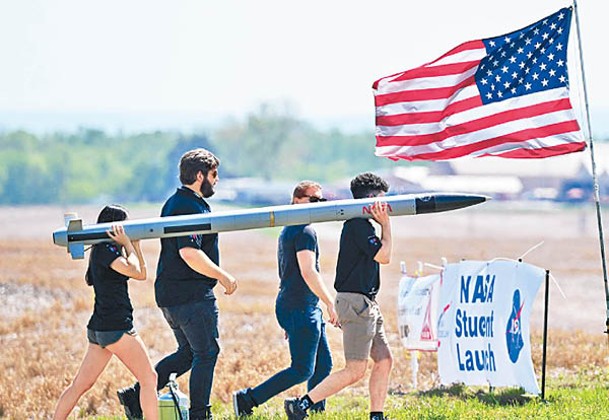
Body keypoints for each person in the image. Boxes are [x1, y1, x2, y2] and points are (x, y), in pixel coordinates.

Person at [118, 148, 238, 420]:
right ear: (199, 175)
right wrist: (223, 275)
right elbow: (189, 252)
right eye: (213, 174)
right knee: (207, 353)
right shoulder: (189, 207)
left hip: (171, 294)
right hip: (191, 294)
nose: (216, 180)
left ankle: (136, 396)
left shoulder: (175, 202)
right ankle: (199, 415)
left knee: (188, 353)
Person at [284, 172, 393, 420]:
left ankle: (376, 415)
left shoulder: (362, 225)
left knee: (385, 360)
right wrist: (386, 224)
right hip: (356, 304)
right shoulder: (357, 225)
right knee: (355, 369)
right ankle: (301, 405)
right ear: (373, 200)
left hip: (367, 304)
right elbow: (384, 257)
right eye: (382, 200)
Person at [232, 180, 339, 416]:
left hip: (299, 305)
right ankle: (247, 399)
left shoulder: (291, 228)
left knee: (323, 365)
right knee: (302, 370)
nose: (319, 205)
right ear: (297, 200)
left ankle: (314, 409)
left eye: (321, 201)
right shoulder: (304, 230)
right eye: (314, 200)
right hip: (300, 307)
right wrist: (331, 303)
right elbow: (308, 271)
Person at [53, 205, 157, 420]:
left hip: (101, 329)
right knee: (149, 379)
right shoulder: (104, 251)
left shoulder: (107, 251)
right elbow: (134, 270)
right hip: (116, 327)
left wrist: (134, 246)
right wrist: (128, 244)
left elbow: (141, 274)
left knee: (81, 385)